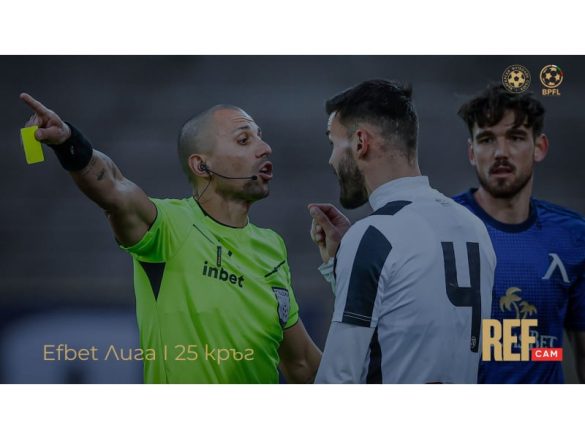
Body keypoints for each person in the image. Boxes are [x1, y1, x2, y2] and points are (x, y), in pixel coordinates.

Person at [19, 93, 321, 384]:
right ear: (201, 165)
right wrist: (69, 141)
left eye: (260, 137)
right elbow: (112, 186)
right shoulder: (168, 226)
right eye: (244, 140)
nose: (265, 148)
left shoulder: (271, 247)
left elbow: (303, 366)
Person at [308, 79, 496, 383]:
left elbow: (339, 376)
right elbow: (411, 319)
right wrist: (341, 266)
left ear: (360, 142)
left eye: (333, 144)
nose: (331, 160)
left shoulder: (373, 236)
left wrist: (358, 251)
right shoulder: (475, 227)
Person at [454, 84, 585, 383]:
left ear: (539, 147)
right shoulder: (438, 228)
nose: (501, 152)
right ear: (472, 153)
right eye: (487, 139)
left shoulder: (573, 238)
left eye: (515, 137)